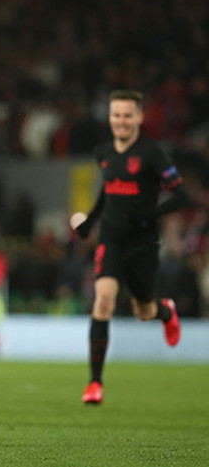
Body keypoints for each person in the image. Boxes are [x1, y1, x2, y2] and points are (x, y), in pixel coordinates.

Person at [71, 89, 190, 405]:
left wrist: (148, 215)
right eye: (116, 115)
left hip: (143, 244)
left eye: (127, 115)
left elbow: (182, 196)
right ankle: (94, 384)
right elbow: (107, 192)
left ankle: (165, 311)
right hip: (111, 238)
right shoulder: (104, 152)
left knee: (143, 311)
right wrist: (90, 224)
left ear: (139, 117)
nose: (121, 121)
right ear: (109, 117)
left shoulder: (152, 153)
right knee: (103, 301)